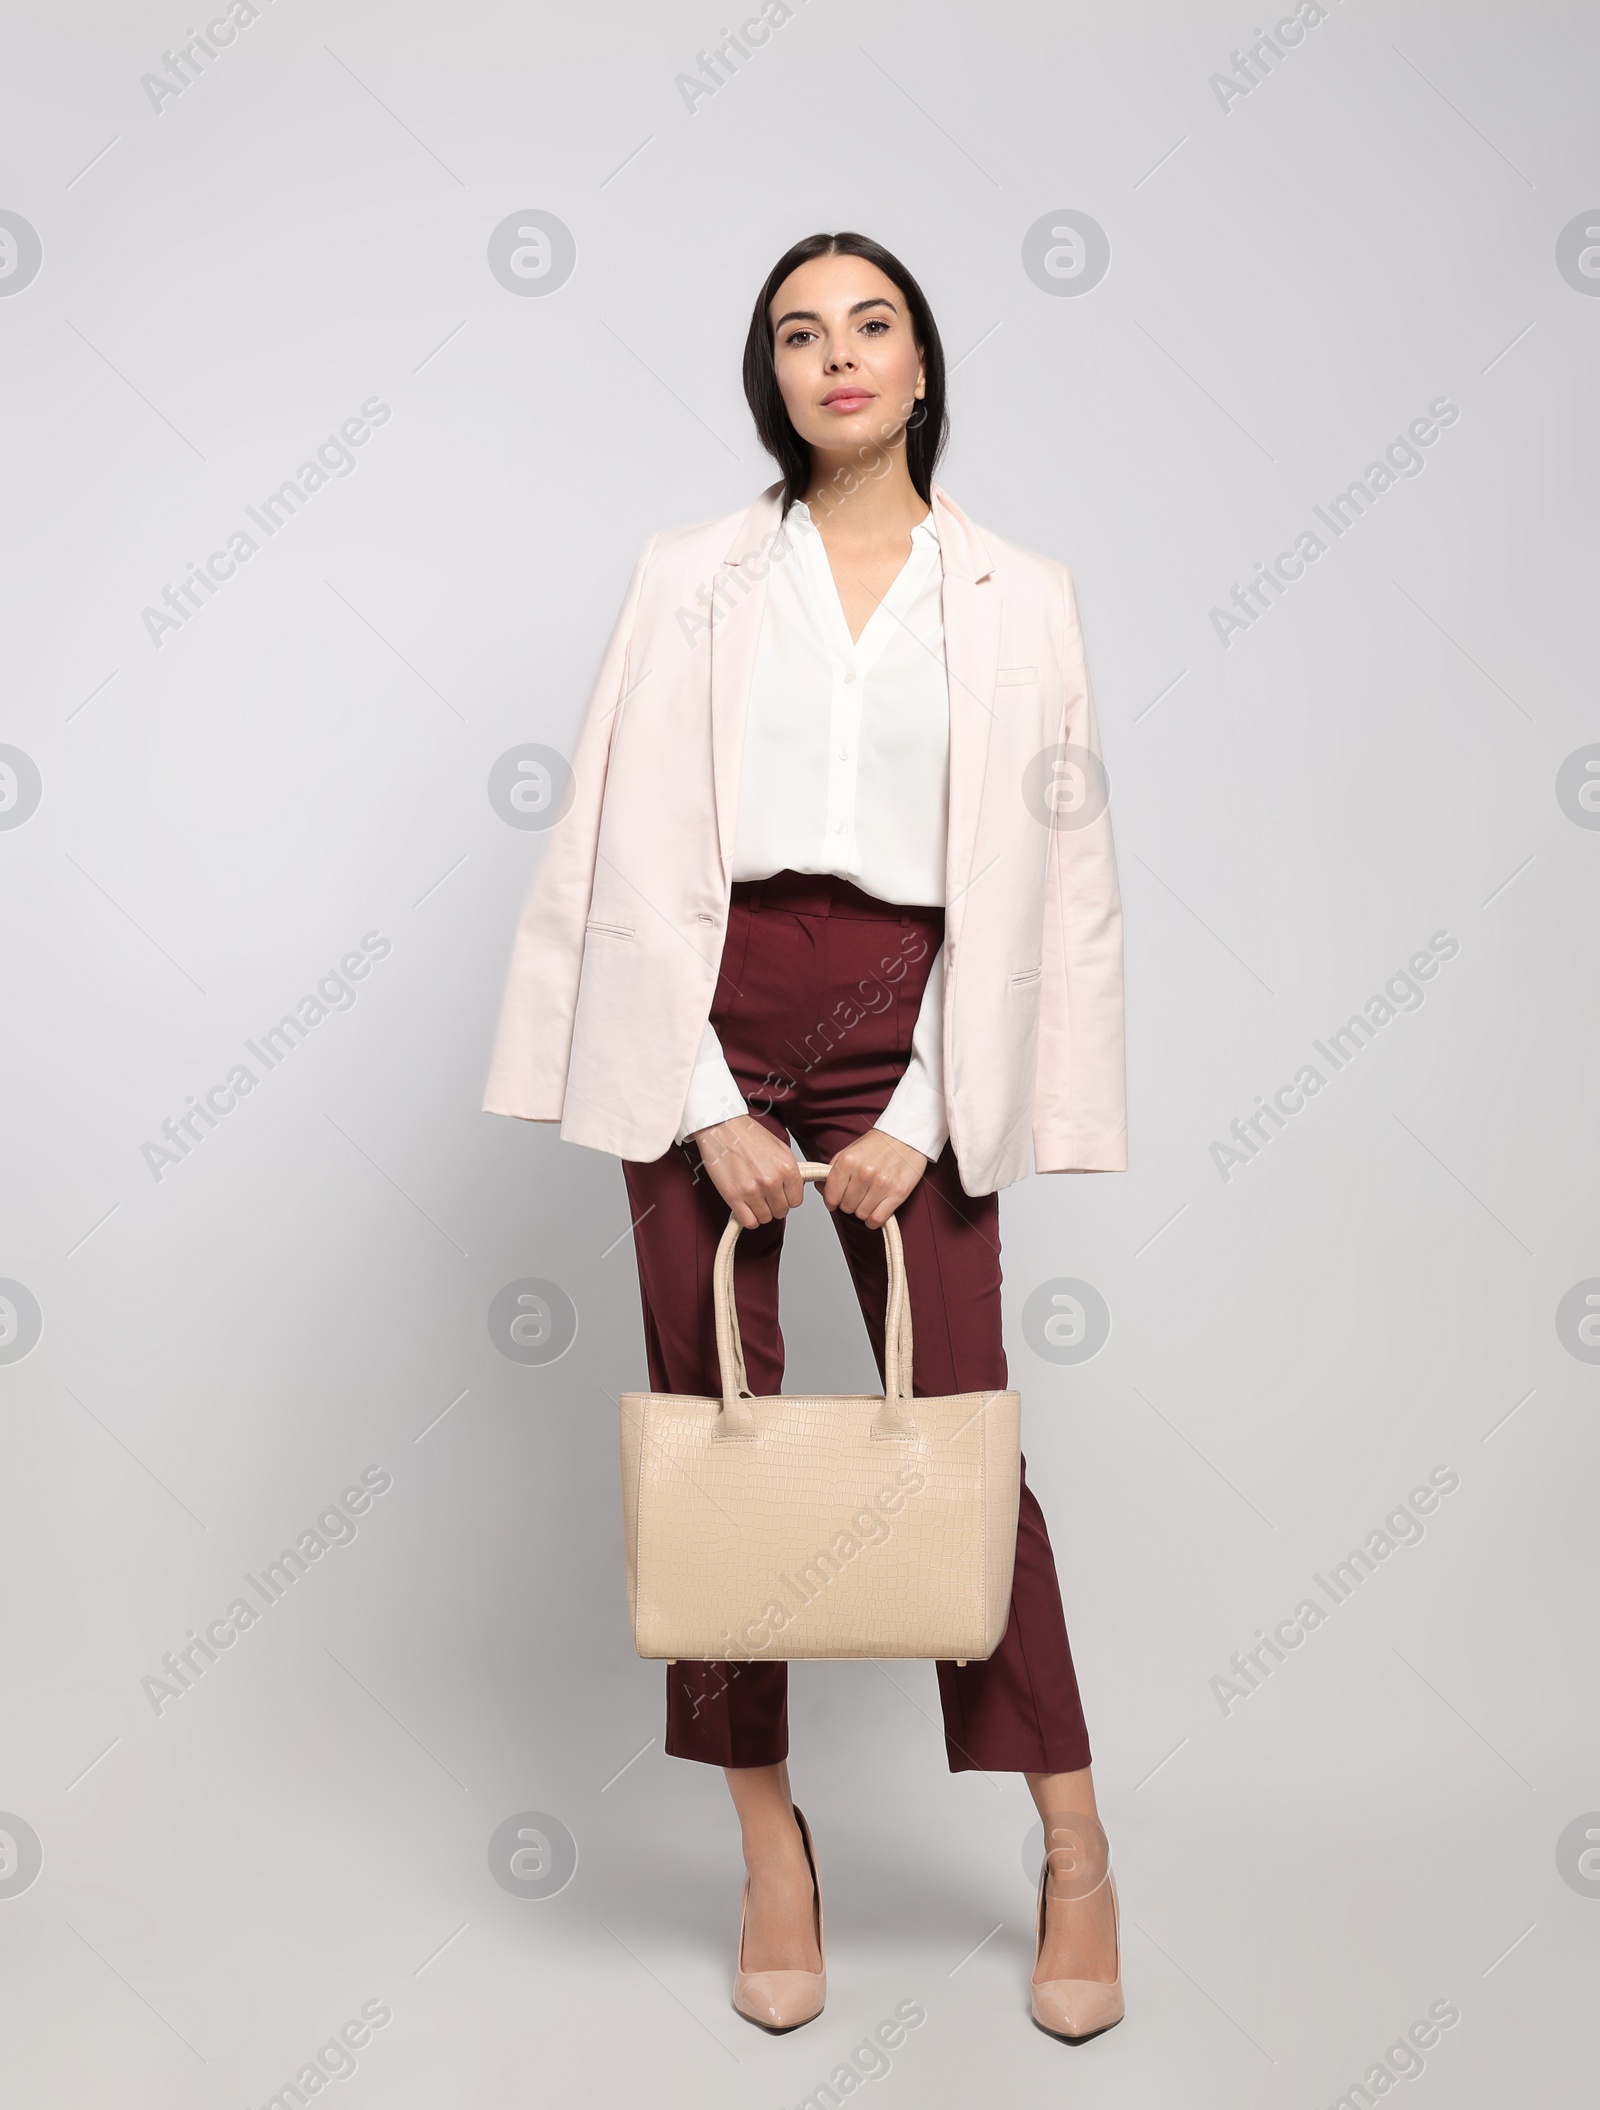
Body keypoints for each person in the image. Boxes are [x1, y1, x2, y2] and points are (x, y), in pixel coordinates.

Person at [483, 229, 1128, 2043]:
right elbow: (617, 829)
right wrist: (694, 1092)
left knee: (966, 1441)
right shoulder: (692, 574)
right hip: (709, 1002)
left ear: (923, 365)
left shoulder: (1019, 592)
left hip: (916, 1015)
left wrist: (927, 1108)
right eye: (797, 332)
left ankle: (1074, 1850)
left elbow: (1050, 874)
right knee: (715, 1438)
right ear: (768, 376)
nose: (836, 355)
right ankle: (771, 1844)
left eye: (872, 325)